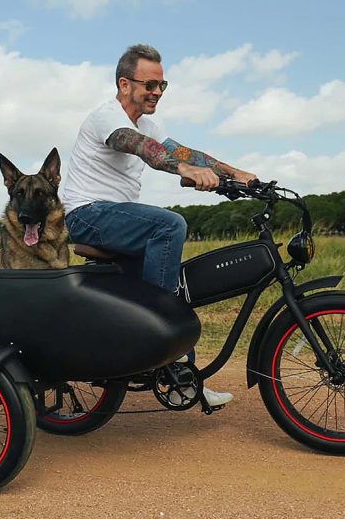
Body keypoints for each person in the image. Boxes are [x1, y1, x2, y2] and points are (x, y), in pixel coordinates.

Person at [61, 44, 257, 407]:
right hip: (87, 214)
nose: (156, 92)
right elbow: (140, 147)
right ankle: (156, 334)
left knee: (163, 278)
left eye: (162, 86)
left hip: (117, 217)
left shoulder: (150, 124)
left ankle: (179, 374)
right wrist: (183, 170)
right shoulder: (107, 117)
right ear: (124, 84)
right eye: (149, 85)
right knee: (169, 226)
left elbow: (184, 153)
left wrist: (233, 174)